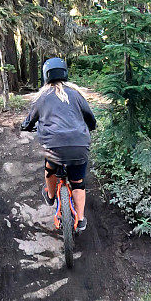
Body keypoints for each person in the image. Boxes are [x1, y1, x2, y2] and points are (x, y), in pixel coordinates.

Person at [20, 57, 96, 232]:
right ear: (65, 73)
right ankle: (81, 219)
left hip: (54, 148)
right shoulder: (76, 94)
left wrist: (26, 127)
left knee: (50, 170)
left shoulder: (41, 97)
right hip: (79, 147)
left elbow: (29, 121)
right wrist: (90, 127)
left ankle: (51, 195)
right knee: (78, 182)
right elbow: (90, 118)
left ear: (45, 75)